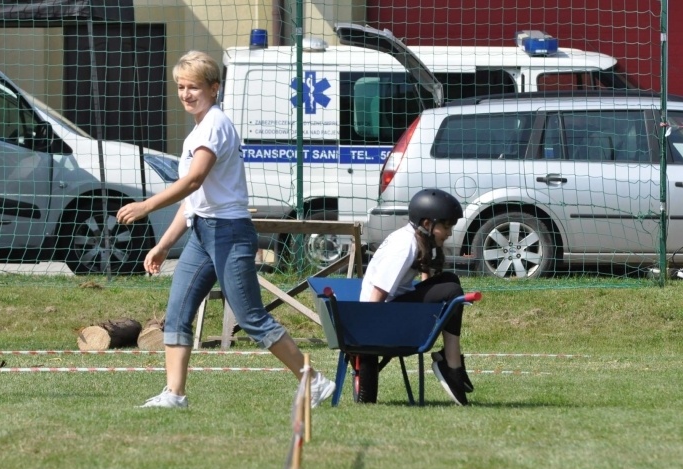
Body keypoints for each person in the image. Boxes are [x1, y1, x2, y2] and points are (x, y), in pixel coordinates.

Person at [116, 50, 335, 409]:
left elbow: (193, 180)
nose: (186, 94)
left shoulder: (216, 124)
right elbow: (194, 199)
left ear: (214, 89)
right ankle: (175, 395)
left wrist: (147, 205)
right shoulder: (198, 129)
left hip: (230, 234)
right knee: (178, 312)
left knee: (250, 317)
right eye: (181, 87)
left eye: (194, 87)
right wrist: (162, 245)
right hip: (204, 235)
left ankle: (313, 380)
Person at [360, 188, 473, 405]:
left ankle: (450, 360)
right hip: (384, 317)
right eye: (446, 227)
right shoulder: (404, 246)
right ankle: (451, 364)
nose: (449, 233)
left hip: (395, 310)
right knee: (452, 290)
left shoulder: (416, 238)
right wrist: (367, 336)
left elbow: (425, 280)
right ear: (428, 224)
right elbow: (378, 292)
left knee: (450, 281)